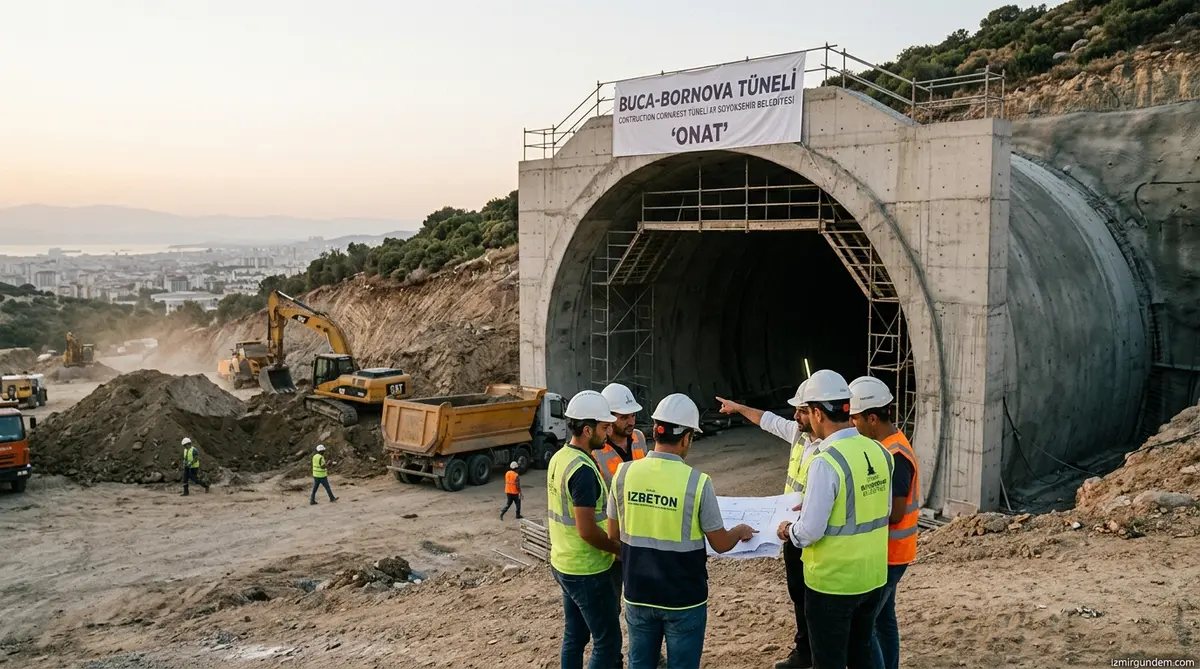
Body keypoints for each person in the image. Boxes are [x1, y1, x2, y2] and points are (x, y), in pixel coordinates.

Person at [607, 393, 756, 669]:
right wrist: (739, 530)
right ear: (687, 437)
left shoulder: (623, 474)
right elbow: (721, 543)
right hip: (684, 600)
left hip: (638, 593)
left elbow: (613, 537)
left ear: (655, 430)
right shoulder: (698, 483)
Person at [776, 370, 893, 669]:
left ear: (817, 412)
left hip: (832, 585)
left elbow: (810, 531)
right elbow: (883, 511)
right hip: (872, 578)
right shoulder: (881, 452)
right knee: (860, 654)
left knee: (828, 661)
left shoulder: (826, 462)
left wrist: (789, 531)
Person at [717, 381, 821, 669]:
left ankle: (812, 652)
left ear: (817, 413)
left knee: (816, 597)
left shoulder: (831, 447)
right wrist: (738, 408)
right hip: (790, 530)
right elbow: (768, 421)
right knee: (799, 592)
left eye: (800, 411)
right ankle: (806, 650)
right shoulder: (799, 436)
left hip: (813, 532)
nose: (795, 418)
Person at [547, 390, 623, 669]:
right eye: (604, 427)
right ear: (588, 429)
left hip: (564, 562)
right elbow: (588, 531)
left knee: (575, 636)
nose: (609, 432)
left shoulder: (560, 458)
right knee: (607, 642)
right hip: (588, 569)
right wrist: (619, 549)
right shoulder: (583, 471)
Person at [849, 377, 920, 669]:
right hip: (893, 551)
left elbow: (895, 512)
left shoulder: (895, 456)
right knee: (884, 619)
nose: (852, 426)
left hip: (890, 554)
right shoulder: (889, 446)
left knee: (865, 627)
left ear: (873, 418)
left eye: (855, 420)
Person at [592, 382, 649, 486]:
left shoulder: (639, 437)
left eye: (633, 415)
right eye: (624, 417)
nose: (631, 422)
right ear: (609, 417)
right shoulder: (596, 451)